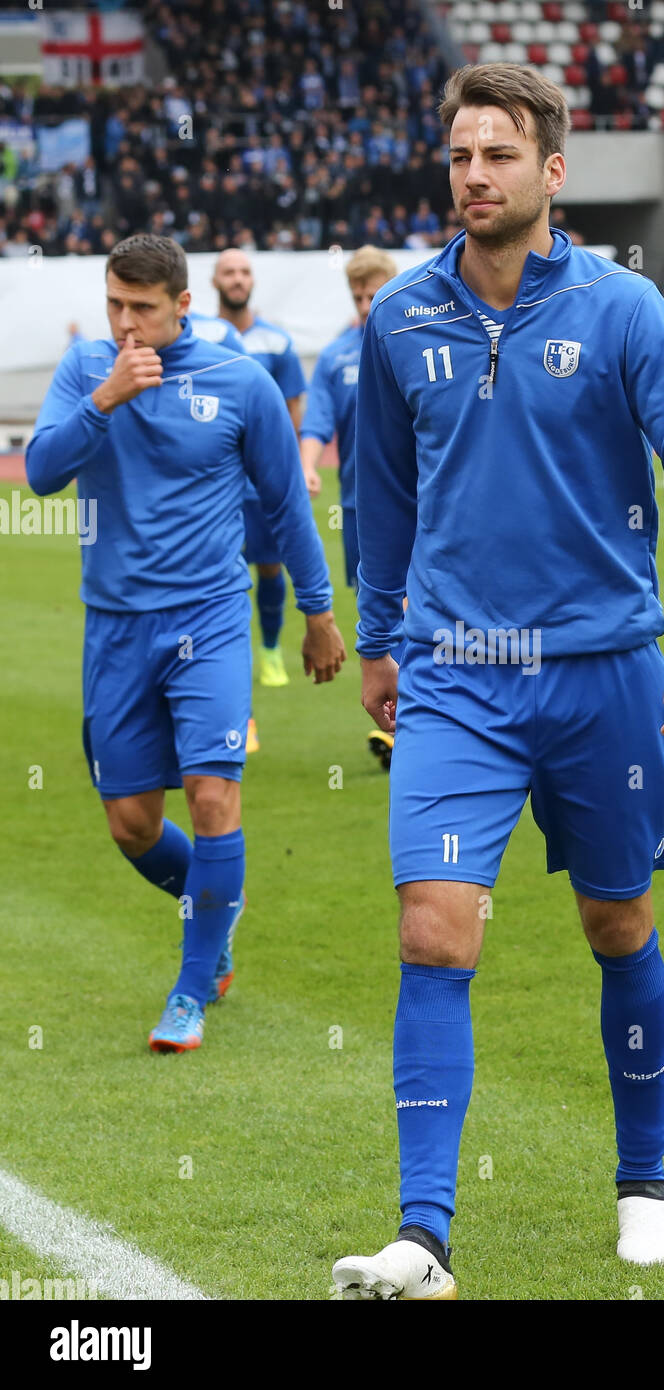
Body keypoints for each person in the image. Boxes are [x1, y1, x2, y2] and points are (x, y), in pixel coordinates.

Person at [330, 62, 664, 1301]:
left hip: (604, 674)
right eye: (458, 154)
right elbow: (380, 499)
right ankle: (423, 1233)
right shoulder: (399, 316)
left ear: (550, 172)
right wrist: (380, 634)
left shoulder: (623, 311)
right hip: (458, 675)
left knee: (615, 922)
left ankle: (642, 1181)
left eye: (497, 154)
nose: (472, 174)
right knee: (432, 926)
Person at [25, 234, 346, 1053]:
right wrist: (104, 400)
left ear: (182, 305)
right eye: (114, 305)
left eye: (142, 308)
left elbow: (283, 505)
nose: (126, 324)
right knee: (131, 824)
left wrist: (317, 614)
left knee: (212, 799)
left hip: (208, 619)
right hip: (115, 626)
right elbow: (39, 475)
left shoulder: (241, 382)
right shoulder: (87, 371)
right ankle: (215, 912)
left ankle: (191, 989)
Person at [300, 244, 399, 770]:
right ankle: (401, 718)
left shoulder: (415, 337)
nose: (366, 304)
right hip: (361, 509)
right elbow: (315, 421)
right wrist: (309, 463)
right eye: (358, 295)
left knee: (415, 608)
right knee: (380, 614)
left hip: (420, 505)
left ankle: (410, 724)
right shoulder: (338, 356)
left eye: (374, 292)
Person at [212, 248, 309, 753]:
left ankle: (270, 649)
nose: (236, 278)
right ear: (214, 280)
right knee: (226, 580)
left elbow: (294, 410)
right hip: (220, 488)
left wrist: (290, 468)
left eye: (244, 271)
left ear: (252, 281)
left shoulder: (276, 340)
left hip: (262, 487)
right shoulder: (202, 335)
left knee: (270, 571)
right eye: (228, 271)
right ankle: (235, 693)